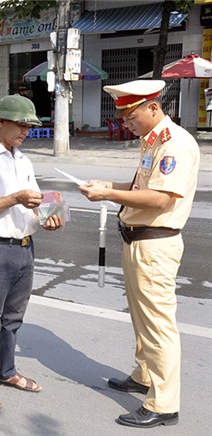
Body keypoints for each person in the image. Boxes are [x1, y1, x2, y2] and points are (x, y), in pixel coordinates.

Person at [79, 80, 200, 428]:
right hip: (137, 241)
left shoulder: (173, 143)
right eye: (124, 117)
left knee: (158, 324)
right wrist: (104, 186)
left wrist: (107, 197)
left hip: (155, 243)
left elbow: (161, 199)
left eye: (131, 116)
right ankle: (144, 374)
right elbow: (137, 189)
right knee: (140, 317)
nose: (126, 123)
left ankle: (164, 404)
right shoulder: (152, 141)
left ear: (153, 107)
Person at [0, 94, 64, 409]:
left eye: (29, 126)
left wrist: (48, 218)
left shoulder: (22, 159)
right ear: (0, 121)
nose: (25, 131)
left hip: (24, 247)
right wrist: (15, 198)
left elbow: (35, 203)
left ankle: (5, 370)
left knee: (13, 318)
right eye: (20, 124)